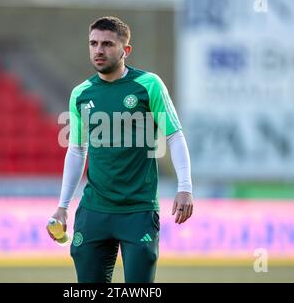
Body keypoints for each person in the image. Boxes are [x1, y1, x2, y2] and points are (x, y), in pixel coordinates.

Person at [48, 16, 193, 283]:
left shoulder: (148, 85)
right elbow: (77, 151)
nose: (98, 50)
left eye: (107, 44)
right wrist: (62, 206)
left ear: (125, 51)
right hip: (94, 210)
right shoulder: (81, 93)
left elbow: (174, 136)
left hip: (137, 211)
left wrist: (185, 187)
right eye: (93, 43)